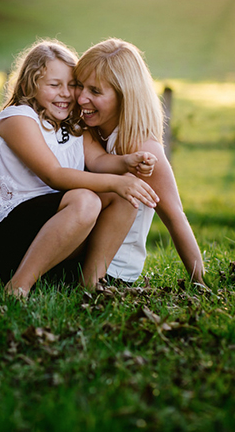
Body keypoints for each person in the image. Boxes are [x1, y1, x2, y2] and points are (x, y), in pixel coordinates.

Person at [0, 38, 159, 297]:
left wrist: (127, 163)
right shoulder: (18, 119)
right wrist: (116, 182)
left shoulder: (73, 125)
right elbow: (54, 175)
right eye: (55, 85)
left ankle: (92, 284)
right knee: (86, 200)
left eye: (72, 85)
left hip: (53, 222)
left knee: (125, 198)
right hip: (7, 227)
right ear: (30, 85)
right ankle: (18, 287)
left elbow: (99, 161)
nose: (67, 94)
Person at [74, 38, 206, 287]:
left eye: (95, 91)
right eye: (79, 86)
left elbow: (174, 217)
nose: (81, 98)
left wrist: (202, 283)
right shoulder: (86, 132)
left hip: (111, 272)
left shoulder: (141, 148)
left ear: (124, 96)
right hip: (74, 255)